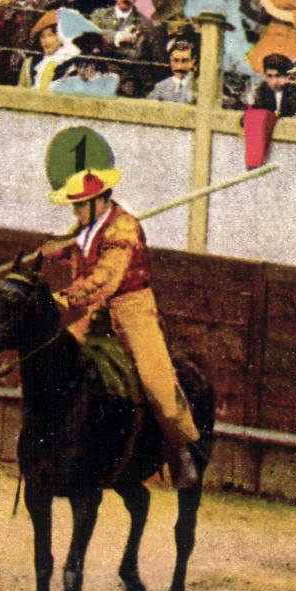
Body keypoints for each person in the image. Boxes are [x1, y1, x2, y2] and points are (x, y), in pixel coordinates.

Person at [41, 165, 205, 488]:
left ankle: (181, 450)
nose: (75, 211)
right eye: (73, 205)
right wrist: (49, 250)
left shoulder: (124, 230)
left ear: (100, 201)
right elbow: (77, 246)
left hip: (133, 311)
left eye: (79, 204)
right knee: (56, 358)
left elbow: (105, 277)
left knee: (157, 384)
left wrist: (64, 298)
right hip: (100, 313)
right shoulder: (87, 224)